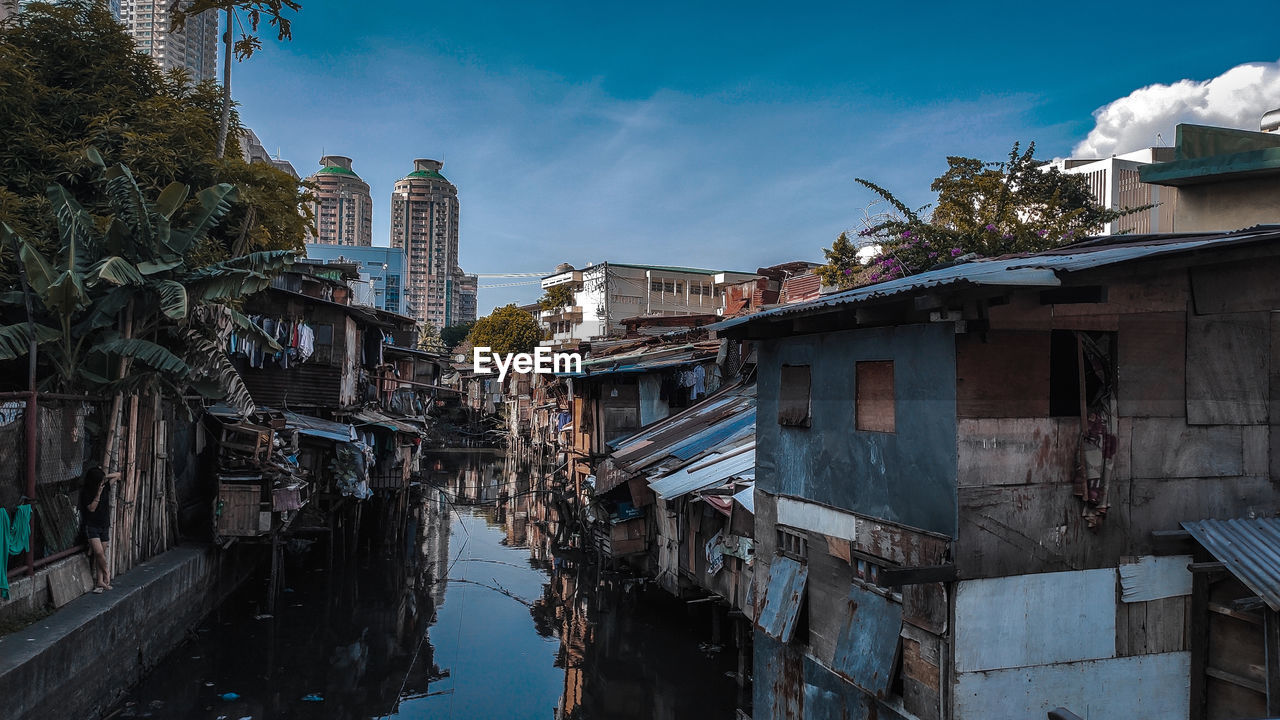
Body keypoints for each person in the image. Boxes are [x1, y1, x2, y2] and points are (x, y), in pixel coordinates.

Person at [79, 467, 113, 593]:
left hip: (104, 524)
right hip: (92, 525)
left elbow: (119, 475)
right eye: (99, 481)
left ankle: (100, 581)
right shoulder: (86, 492)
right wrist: (98, 494)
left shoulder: (104, 486)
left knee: (101, 555)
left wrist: (105, 477)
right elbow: (91, 508)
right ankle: (106, 572)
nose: (102, 483)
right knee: (98, 552)